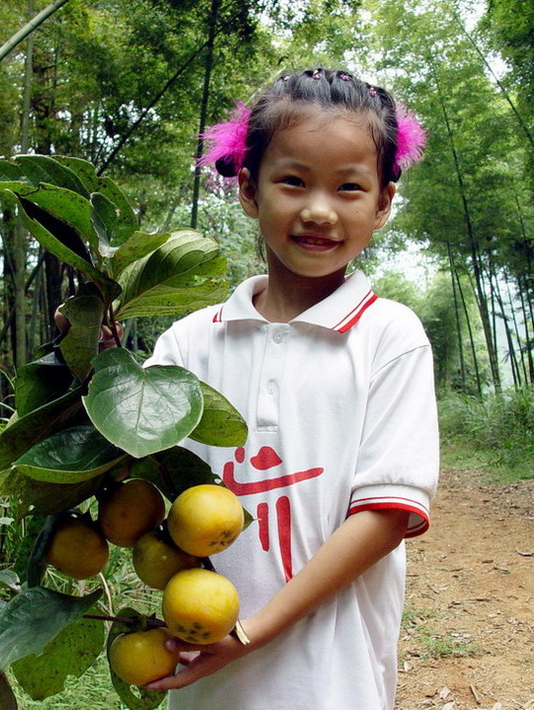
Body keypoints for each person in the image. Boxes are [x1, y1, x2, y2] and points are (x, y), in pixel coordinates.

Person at [144, 67, 439, 710]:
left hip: (336, 683)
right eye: (293, 181)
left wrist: (250, 633)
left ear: (383, 202)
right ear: (249, 189)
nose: (318, 210)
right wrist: (92, 365)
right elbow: (140, 485)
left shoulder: (388, 336)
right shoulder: (187, 344)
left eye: (349, 187)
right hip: (206, 683)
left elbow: (386, 514)